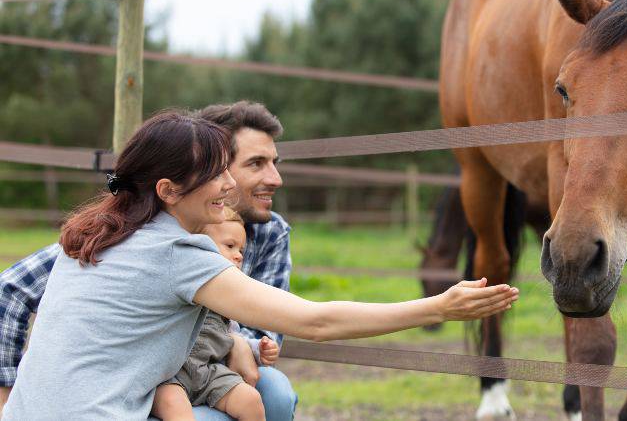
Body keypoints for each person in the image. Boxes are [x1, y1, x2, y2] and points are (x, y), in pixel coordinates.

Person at [1, 110, 519, 420]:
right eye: (215, 175)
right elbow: (313, 321)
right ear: (168, 191)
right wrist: (439, 307)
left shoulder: (93, 235)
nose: (229, 186)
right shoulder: (176, 254)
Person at [0, 101, 299, 421]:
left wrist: (238, 342)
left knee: (275, 392)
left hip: (214, 369)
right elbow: (13, 287)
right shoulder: (138, 238)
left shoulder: (270, 233)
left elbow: (268, 332)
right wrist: (6, 394)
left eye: (274, 162)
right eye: (255, 164)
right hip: (150, 384)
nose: (275, 178)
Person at [152, 207, 276, 421]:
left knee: (250, 400)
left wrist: (257, 348)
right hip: (170, 376)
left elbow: (232, 333)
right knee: (175, 406)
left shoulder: (229, 297)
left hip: (209, 372)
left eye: (241, 250)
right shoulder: (178, 282)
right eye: (229, 246)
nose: (238, 256)